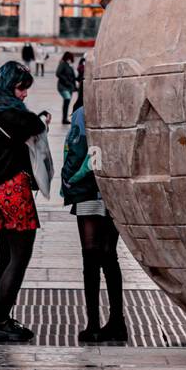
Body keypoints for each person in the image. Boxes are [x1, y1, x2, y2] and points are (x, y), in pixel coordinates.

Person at [0, 61, 51, 343]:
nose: (24, 95)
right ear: (10, 86)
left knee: (5, 257)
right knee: (19, 258)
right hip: (13, 190)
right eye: (22, 89)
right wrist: (40, 119)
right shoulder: (7, 109)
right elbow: (33, 124)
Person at [61, 87, 128, 345]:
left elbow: (75, 152)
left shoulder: (82, 113)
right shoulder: (119, 113)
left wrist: (69, 183)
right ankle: (117, 322)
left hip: (88, 191)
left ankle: (93, 325)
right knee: (110, 256)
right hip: (113, 192)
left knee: (90, 256)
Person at [56, 51, 77, 124]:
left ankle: (64, 118)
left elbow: (73, 76)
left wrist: (74, 86)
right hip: (63, 86)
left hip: (69, 87)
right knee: (67, 100)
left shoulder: (69, 65)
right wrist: (66, 81)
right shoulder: (62, 64)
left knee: (67, 102)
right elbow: (58, 73)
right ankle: (64, 119)